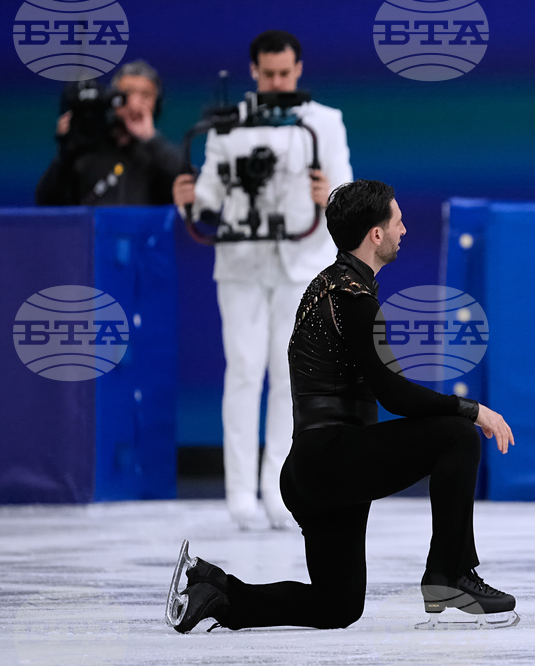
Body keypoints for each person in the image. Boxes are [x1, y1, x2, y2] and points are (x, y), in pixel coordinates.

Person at [165, 179, 518, 633]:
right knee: (457, 436)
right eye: (398, 221)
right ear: (375, 234)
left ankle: (214, 591)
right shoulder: (352, 300)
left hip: (315, 471)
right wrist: (471, 409)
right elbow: (395, 394)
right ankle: (450, 573)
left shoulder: (329, 286)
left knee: (338, 606)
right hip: (331, 461)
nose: (404, 230)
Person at [172, 31, 352, 530]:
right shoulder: (228, 126)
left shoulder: (325, 122)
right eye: (268, 74)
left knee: (289, 376)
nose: (276, 82)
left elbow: (346, 193)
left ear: (299, 68)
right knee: (245, 370)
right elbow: (208, 198)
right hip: (242, 262)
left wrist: (328, 193)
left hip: (300, 261)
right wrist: (189, 196)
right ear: (253, 71)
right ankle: (238, 494)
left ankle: (279, 490)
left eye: (284, 73)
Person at [36, 60, 184, 205]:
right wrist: (65, 151)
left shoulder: (159, 156)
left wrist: (151, 139)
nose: (134, 104)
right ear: (112, 99)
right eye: (127, 94)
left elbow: (186, 187)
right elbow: (47, 202)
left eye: (145, 95)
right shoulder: (87, 150)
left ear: (156, 104)